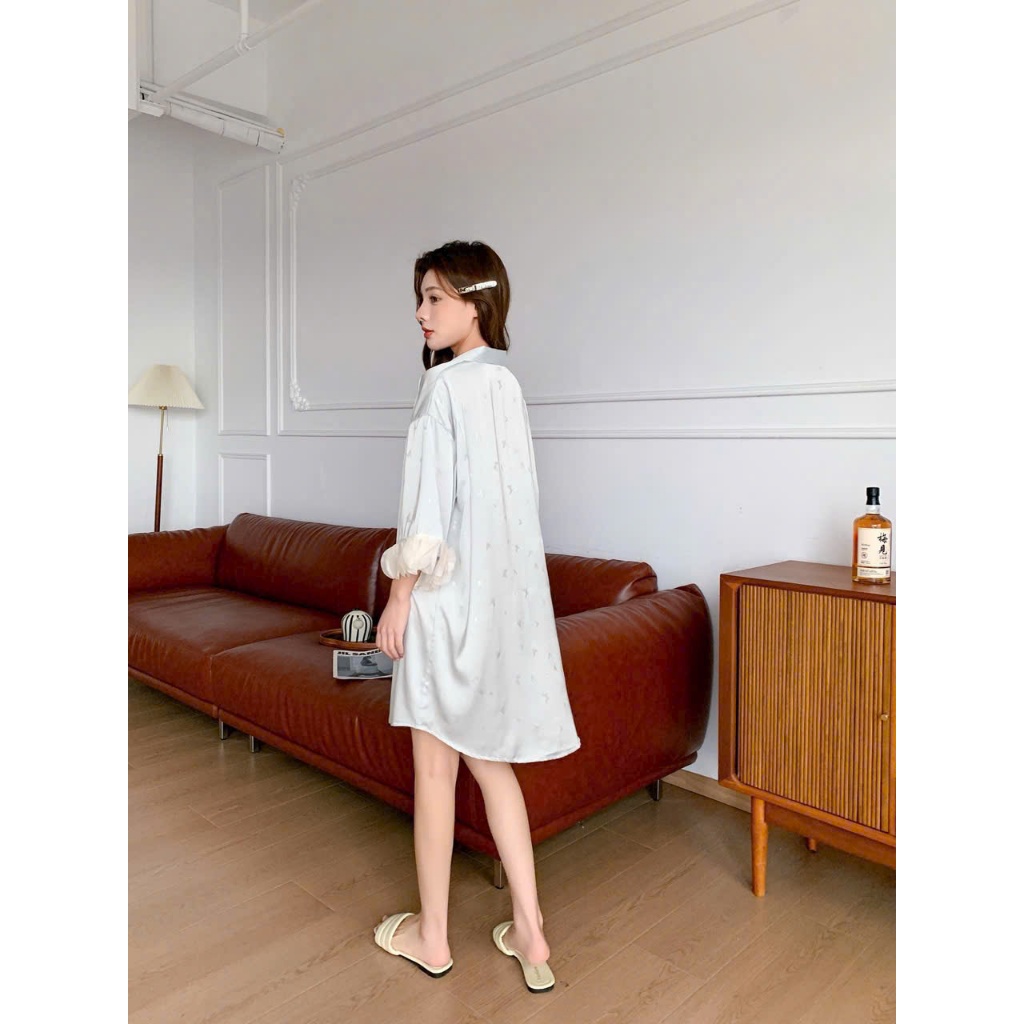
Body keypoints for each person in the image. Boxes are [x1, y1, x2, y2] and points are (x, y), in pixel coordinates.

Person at [371, 240, 580, 993]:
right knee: (493, 768)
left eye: (434, 297)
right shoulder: (505, 384)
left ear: (475, 300)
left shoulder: (444, 390)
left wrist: (398, 597)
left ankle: (432, 936)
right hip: (498, 612)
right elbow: (515, 515)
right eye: (420, 298)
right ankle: (530, 930)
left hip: (443, 606)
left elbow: (426, 519)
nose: (420, 312)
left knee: (435, 772)